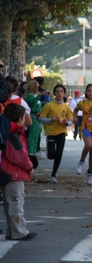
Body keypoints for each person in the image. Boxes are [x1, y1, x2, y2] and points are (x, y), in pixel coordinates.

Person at [0, 103, 37, 240]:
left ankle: (11, 231)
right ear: (20, 119)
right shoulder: (14, 134)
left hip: (8, 173)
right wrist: (30, 167)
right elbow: (19, 155)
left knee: (9, 204)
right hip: (15, 174)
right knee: (16, 204)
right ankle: (19, 232)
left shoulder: (7, 132)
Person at [39, 84, 73, 184]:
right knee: (51, 155)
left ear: (64, 93)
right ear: (54, 93)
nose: (59, 93)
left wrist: (67, 122)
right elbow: (40, 118)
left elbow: (71, 120)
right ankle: (49, 152)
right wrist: (51, 120)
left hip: (61, 132)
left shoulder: (66, 107)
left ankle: (54, 174)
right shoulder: (49, 105)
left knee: (59, 153)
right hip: (51, 132)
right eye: (57, 91)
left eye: (61, 91)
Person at [24, 80, 46, 156]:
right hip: (33, 116)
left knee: (37, 135)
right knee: (33, 135)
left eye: (37, 87)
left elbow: (38, 105)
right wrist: (40, 95)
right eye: (34, 87)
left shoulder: (36, 96)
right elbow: (32, 102)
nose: (36, 88)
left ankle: (34, 150)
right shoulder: (30, 96)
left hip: (38, 118)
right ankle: (31, 151)